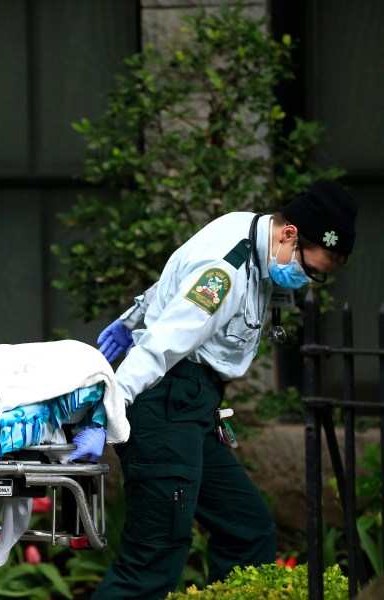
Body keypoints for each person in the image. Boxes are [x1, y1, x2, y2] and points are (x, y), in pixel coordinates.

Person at [91, 180, 358, 599]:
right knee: (153, 560)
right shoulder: (228, 271)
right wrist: (109, 407)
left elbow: (174, 277)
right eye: (310, 271)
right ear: (289, 235)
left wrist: (133, 316)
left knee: (247, 529)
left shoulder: (250, 231)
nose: (306, 282)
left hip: (193, 407)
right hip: (165, 403)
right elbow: (163, 346)